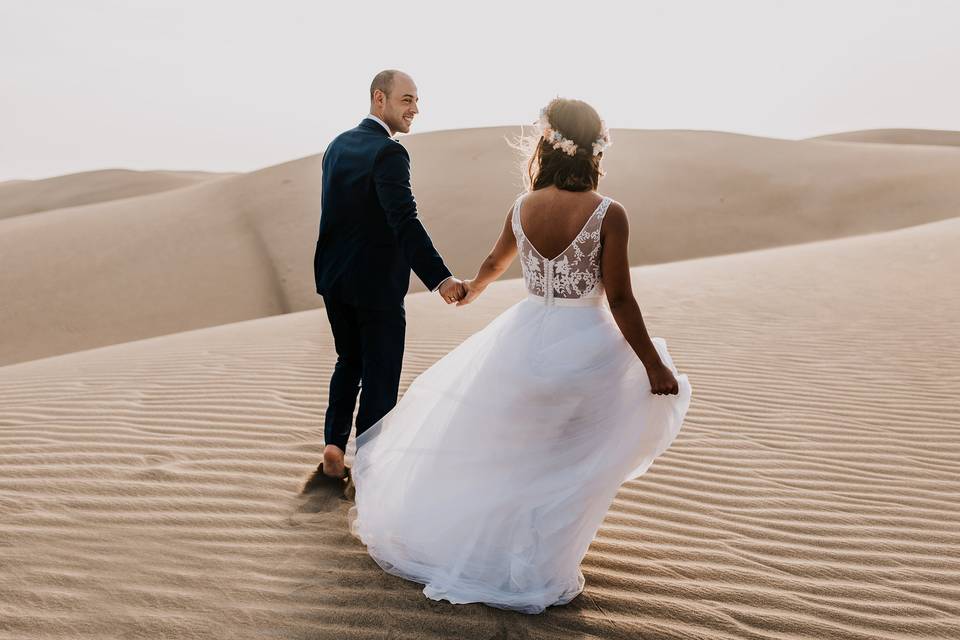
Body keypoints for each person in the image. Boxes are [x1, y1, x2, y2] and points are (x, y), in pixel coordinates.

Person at [346, 97, 692, 614]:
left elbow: (493, 261)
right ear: (595, 148)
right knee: (566, 464)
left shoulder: (523, 206)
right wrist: (653, 364)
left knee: (518, 455)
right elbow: (619, 297)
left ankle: (496, 553)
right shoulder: (607, 213)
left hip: (524, 341)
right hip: (584, 351)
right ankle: (535, 566)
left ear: (548, 145)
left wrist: (472, 289)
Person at [313, 69, 466, 482]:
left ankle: (333, 443)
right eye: (406, 100)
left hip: (334, 280)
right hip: (375, 286)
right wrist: (441, 279)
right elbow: (404, 221)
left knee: (349, 360)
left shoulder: (336, 146)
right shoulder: (389, 153)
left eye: (416, 101)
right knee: (380, 375)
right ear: (379, 99)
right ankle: (370, 471)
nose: (415, 109)